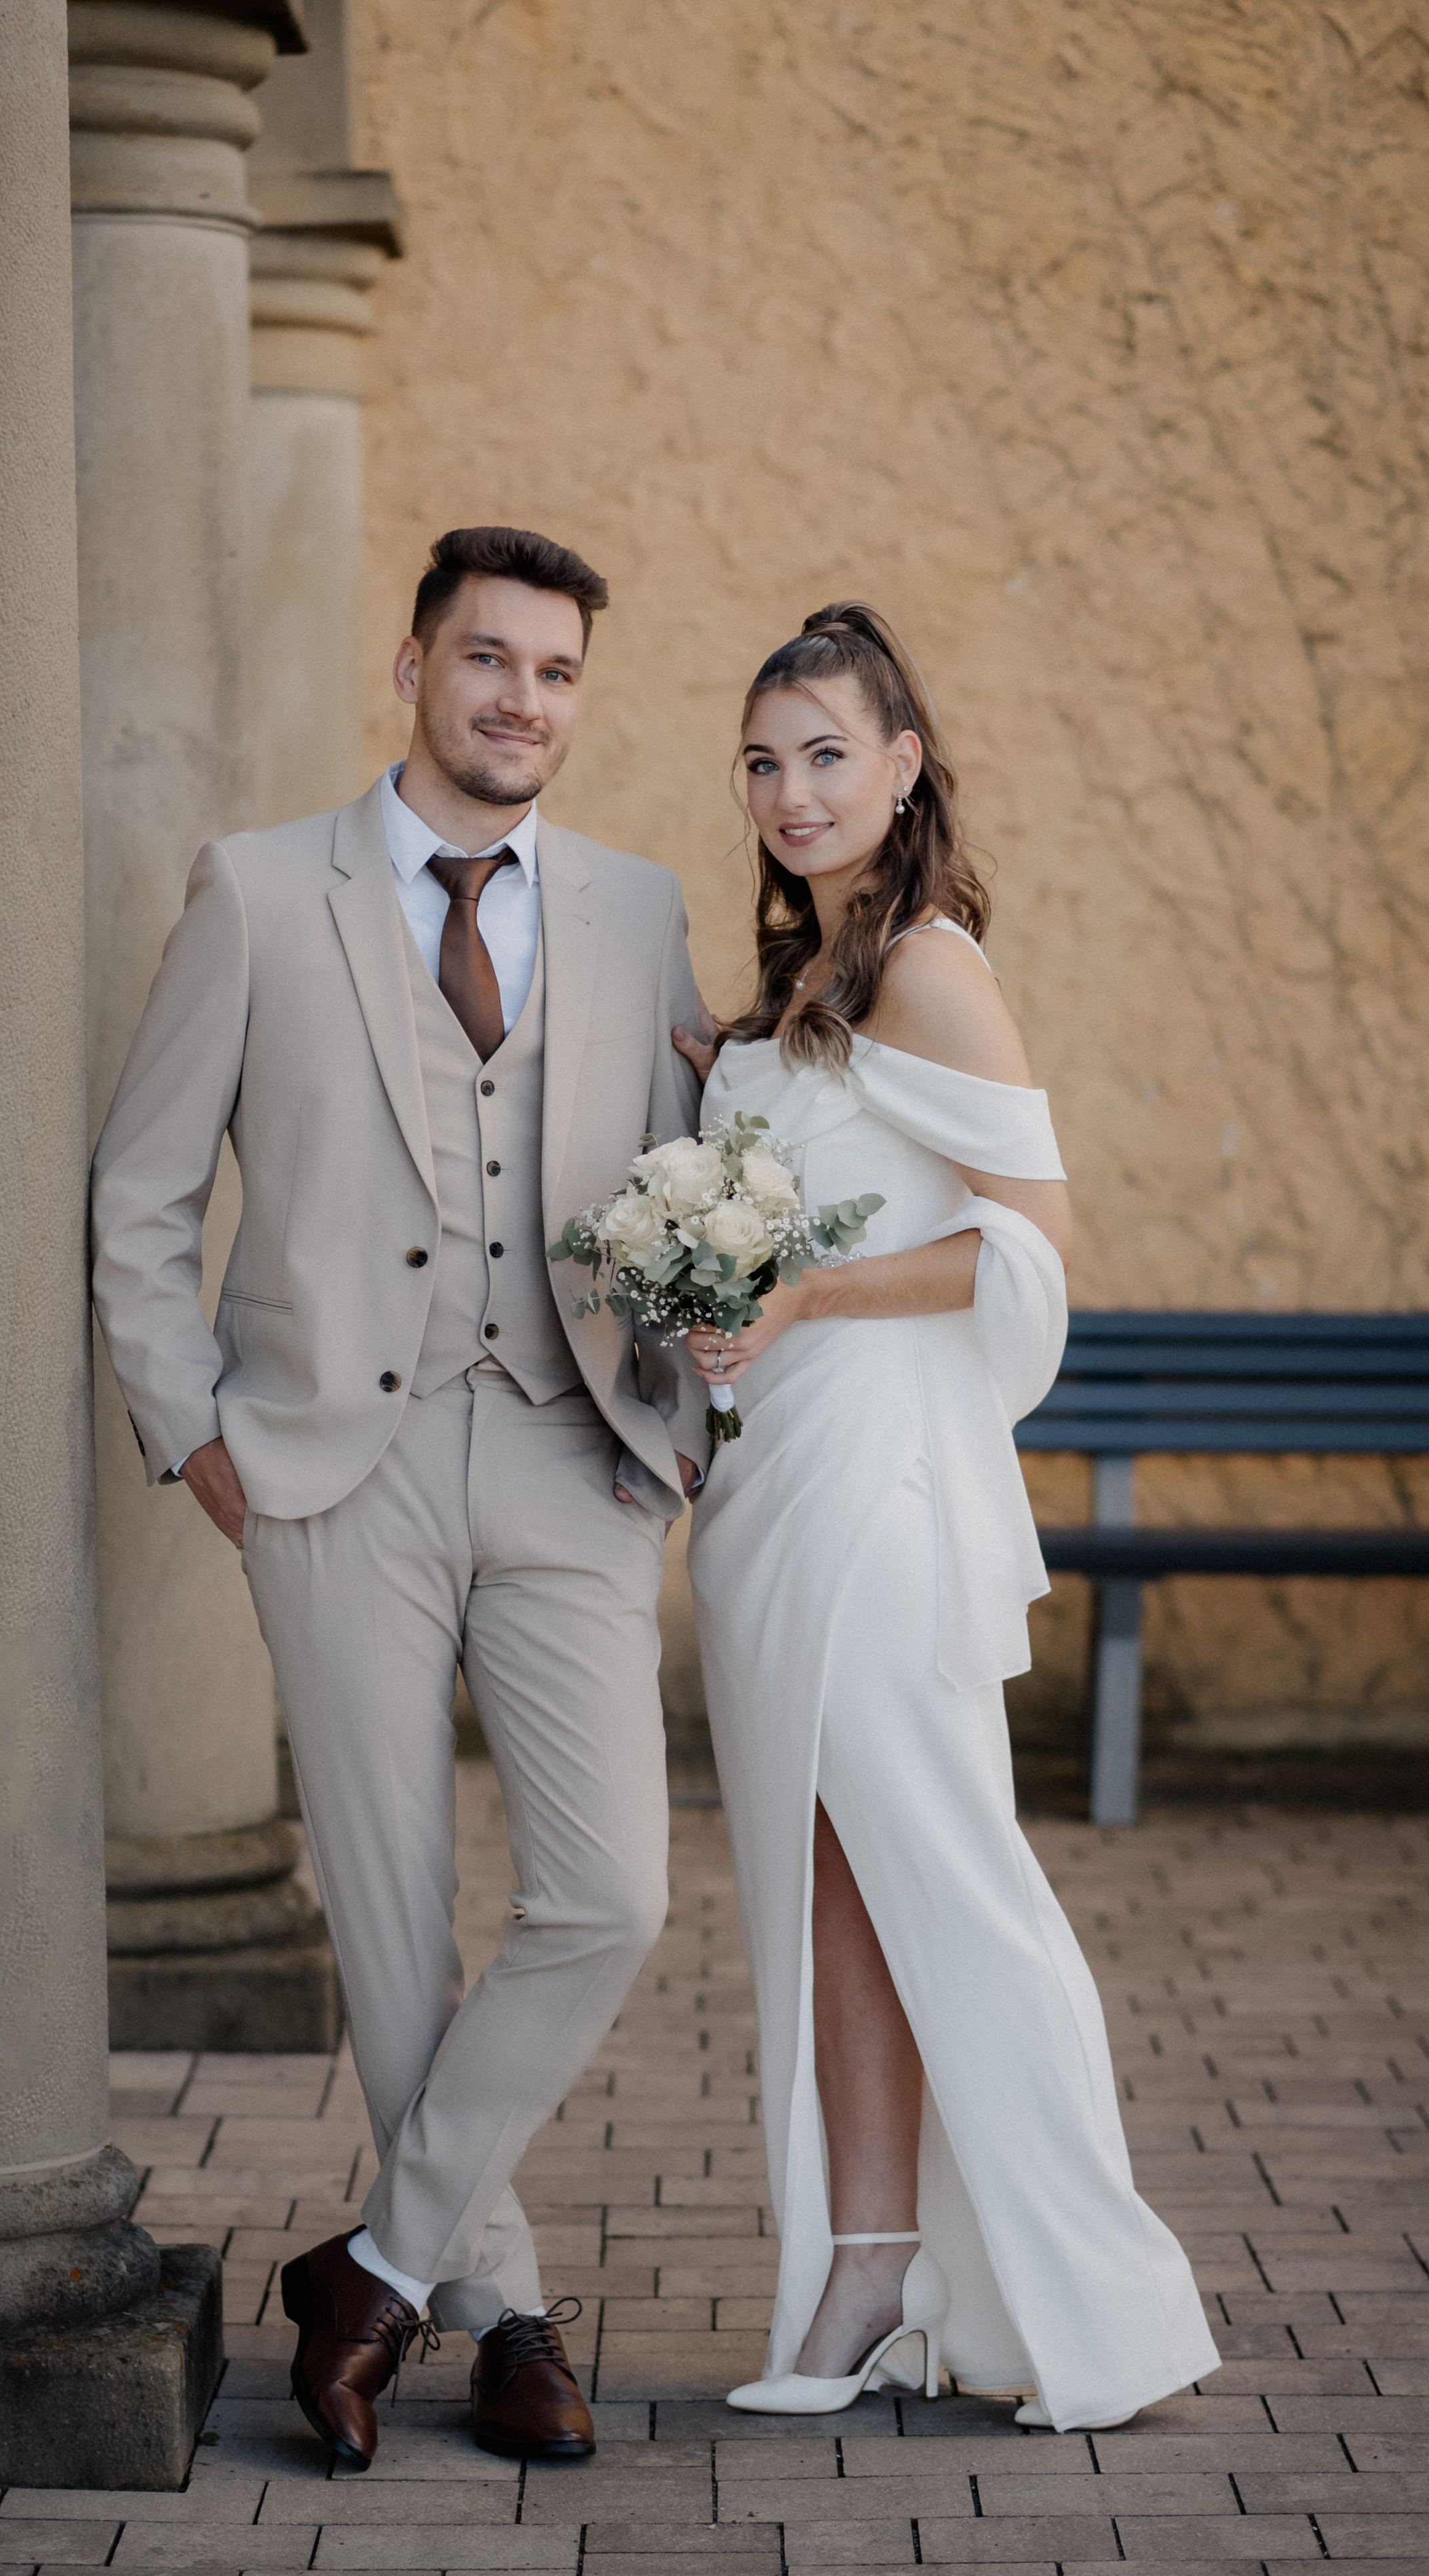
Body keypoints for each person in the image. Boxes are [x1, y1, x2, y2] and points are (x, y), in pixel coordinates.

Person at [90, 527, 709, 2470]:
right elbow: (141, 1195)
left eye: (557, 671)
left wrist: (675, 1428)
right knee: (390, 1920)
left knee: (609, 1892)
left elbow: (693, 1193)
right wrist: (193, 1429)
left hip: (567, 1452)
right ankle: (510, 2314)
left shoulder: (635, 907)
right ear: (414, 666)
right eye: (489, 658)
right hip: (326, 1474)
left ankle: (367, 2273)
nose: (524, 698)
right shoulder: (264, 893)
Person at [672, 602, 1218, 2429]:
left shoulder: (925, 964)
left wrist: (810, 1298)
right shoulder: (804, 985)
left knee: (956, 1895)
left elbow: (1034, 1237)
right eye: (764, 761)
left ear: (902, 766)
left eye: (827, 753)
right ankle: (868, 2280)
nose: (792, 790)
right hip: (773, 1491)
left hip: (880, 1500)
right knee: (837, 1901)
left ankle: (1105, 2303)